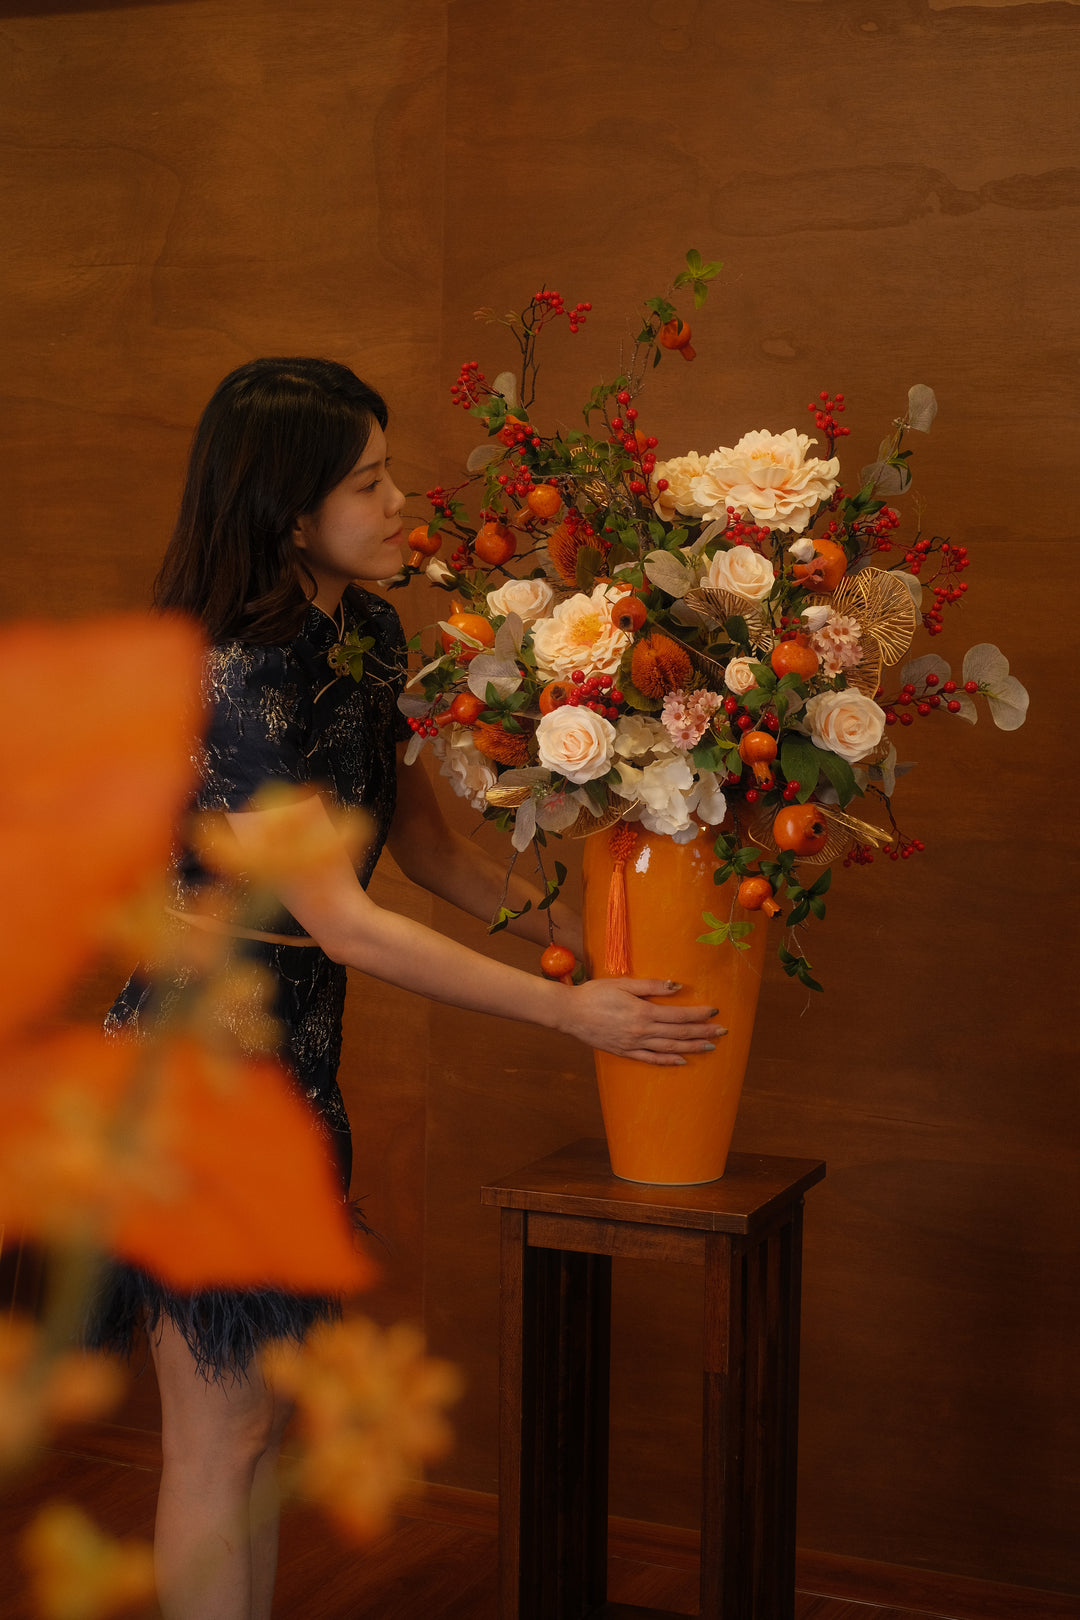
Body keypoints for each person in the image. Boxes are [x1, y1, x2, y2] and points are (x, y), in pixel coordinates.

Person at [90, 357, 724, 1620]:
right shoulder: (235, 682)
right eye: (367, 484)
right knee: (220, 1440)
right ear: (289, 514)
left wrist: (589, 943)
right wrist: (567, 1012)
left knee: (254, 1432)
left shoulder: (364, 636)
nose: (399, 505)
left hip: (291, 1079)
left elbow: (433, 853)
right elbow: (346, 923)